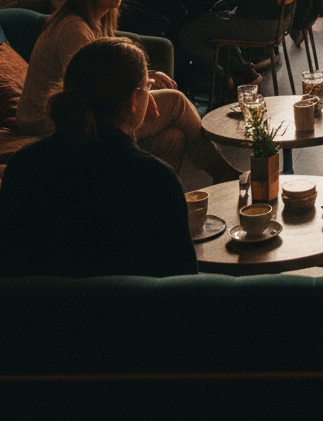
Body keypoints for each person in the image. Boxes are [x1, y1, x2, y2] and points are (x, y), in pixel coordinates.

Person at [18, 0, 239, 181]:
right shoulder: (74, 29)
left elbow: (108, 73)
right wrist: (143, 91)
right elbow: (91, 91)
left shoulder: (98, 20)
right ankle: (224, 173)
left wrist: (145, 82)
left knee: (174, 138)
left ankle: (151, 202)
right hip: (49, 123)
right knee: (176, 102)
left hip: (87, 112)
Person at [0, 38, 199, 278]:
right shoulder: (155, 180)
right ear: (134, 100)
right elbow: (181, 282)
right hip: (130, 312)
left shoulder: (24, 165)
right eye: (148, 87)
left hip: (42, 312)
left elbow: (10, 264)